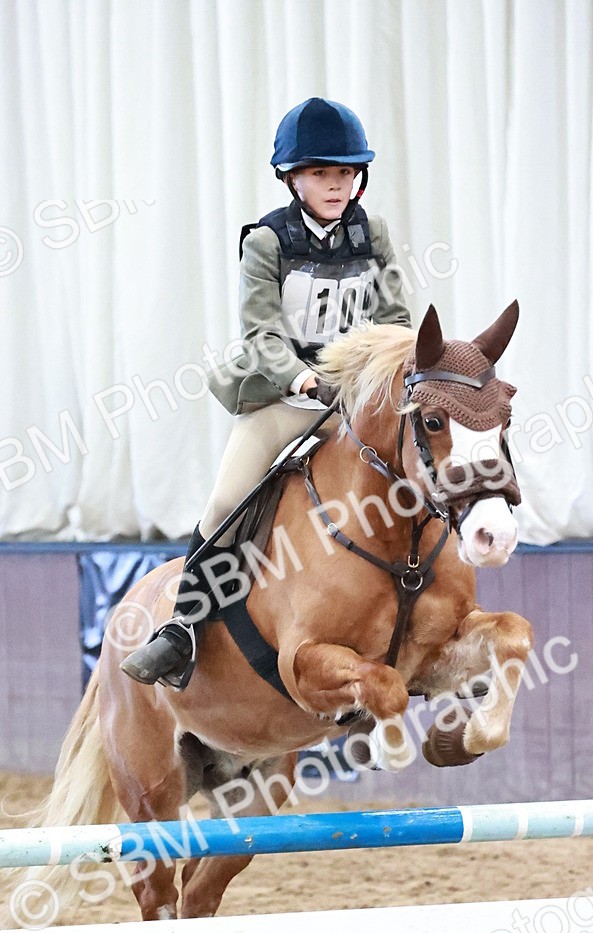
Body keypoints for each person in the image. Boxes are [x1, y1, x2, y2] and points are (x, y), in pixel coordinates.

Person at [121, 96, 412, 687]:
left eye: (346, 173)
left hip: (353, 402)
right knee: (227, 502)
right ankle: (181, 630)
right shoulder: (266, 242)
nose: (336, 185)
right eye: (321, 173)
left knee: (421, 471)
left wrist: (386, 375)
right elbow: (261, 331)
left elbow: (396, 318)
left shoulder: (372, 233)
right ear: (293, 178)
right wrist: (301, 375)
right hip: (287, 398)